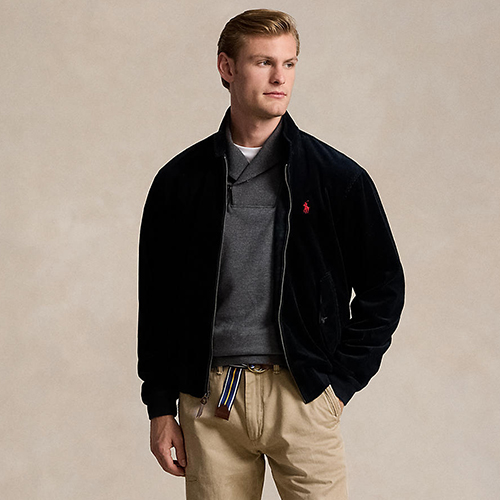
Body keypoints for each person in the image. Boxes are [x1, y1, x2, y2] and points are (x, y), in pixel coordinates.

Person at [138, 9, 404, 500]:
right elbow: (157, 302)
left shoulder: (336, 179)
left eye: (289, 63)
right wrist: (159, 407)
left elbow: (384, 287)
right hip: (210, 400)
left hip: (301, 395)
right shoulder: (180, 182)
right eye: (264, 62)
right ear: (227, 67)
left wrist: (339, 385)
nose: (280, 77)